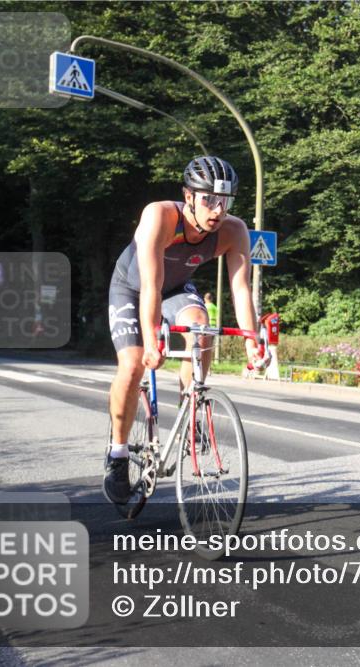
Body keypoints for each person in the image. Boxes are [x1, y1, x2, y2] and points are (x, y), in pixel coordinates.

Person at [104, 156, 262, 504]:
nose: (217, 210)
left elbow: (241, 289)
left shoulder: (234, 231)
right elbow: (150, 286)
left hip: (177, 290)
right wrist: (151, 342)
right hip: (133, 288)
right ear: (188, 196)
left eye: (225, 201)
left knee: (201, 328)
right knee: (132, 366)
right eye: (208, 199)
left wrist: (252, 342)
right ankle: (116, 454)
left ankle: (193, 403)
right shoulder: (159, 216)